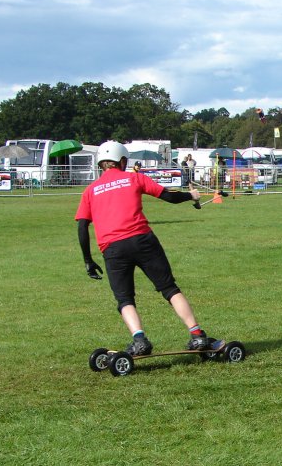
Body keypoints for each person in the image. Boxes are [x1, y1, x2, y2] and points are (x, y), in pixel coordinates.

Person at [75, 141, 223, 356]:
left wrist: (88, 260)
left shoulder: (90, 191)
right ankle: (198, 336)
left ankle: (139, 340)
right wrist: (191, 195)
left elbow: (81, 226)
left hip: (112, 248)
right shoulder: (134, 177)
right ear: (123, 161)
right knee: (169, 288)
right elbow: (169, 196)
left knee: (125, 299)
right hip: (143, 241)